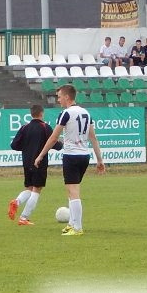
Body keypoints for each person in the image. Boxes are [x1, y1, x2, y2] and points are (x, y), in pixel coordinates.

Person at [34, 84, 105, 236]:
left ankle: (77, 228)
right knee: (72, 190)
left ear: (67, 97)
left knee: (73, 192)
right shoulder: (86, 113)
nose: (58, 100)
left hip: (71, 156)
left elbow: (53, 138)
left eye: (59, 97)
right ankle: (72, 223)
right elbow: (93, 138)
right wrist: (100, 160)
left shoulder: (66, 114)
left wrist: (41, 155)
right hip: (84, 156)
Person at [8, 105, 63, 226]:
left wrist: (26, 147)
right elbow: (55, 143)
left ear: (31, 114)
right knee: (37, 189)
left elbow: (14, 145)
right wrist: (61, 144)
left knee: (29, 188)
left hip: (26, 162)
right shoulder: (45, 127)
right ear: (41, 113)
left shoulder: (24, 127)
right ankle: (23, 217)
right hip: (39, 162)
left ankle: (16, 202)